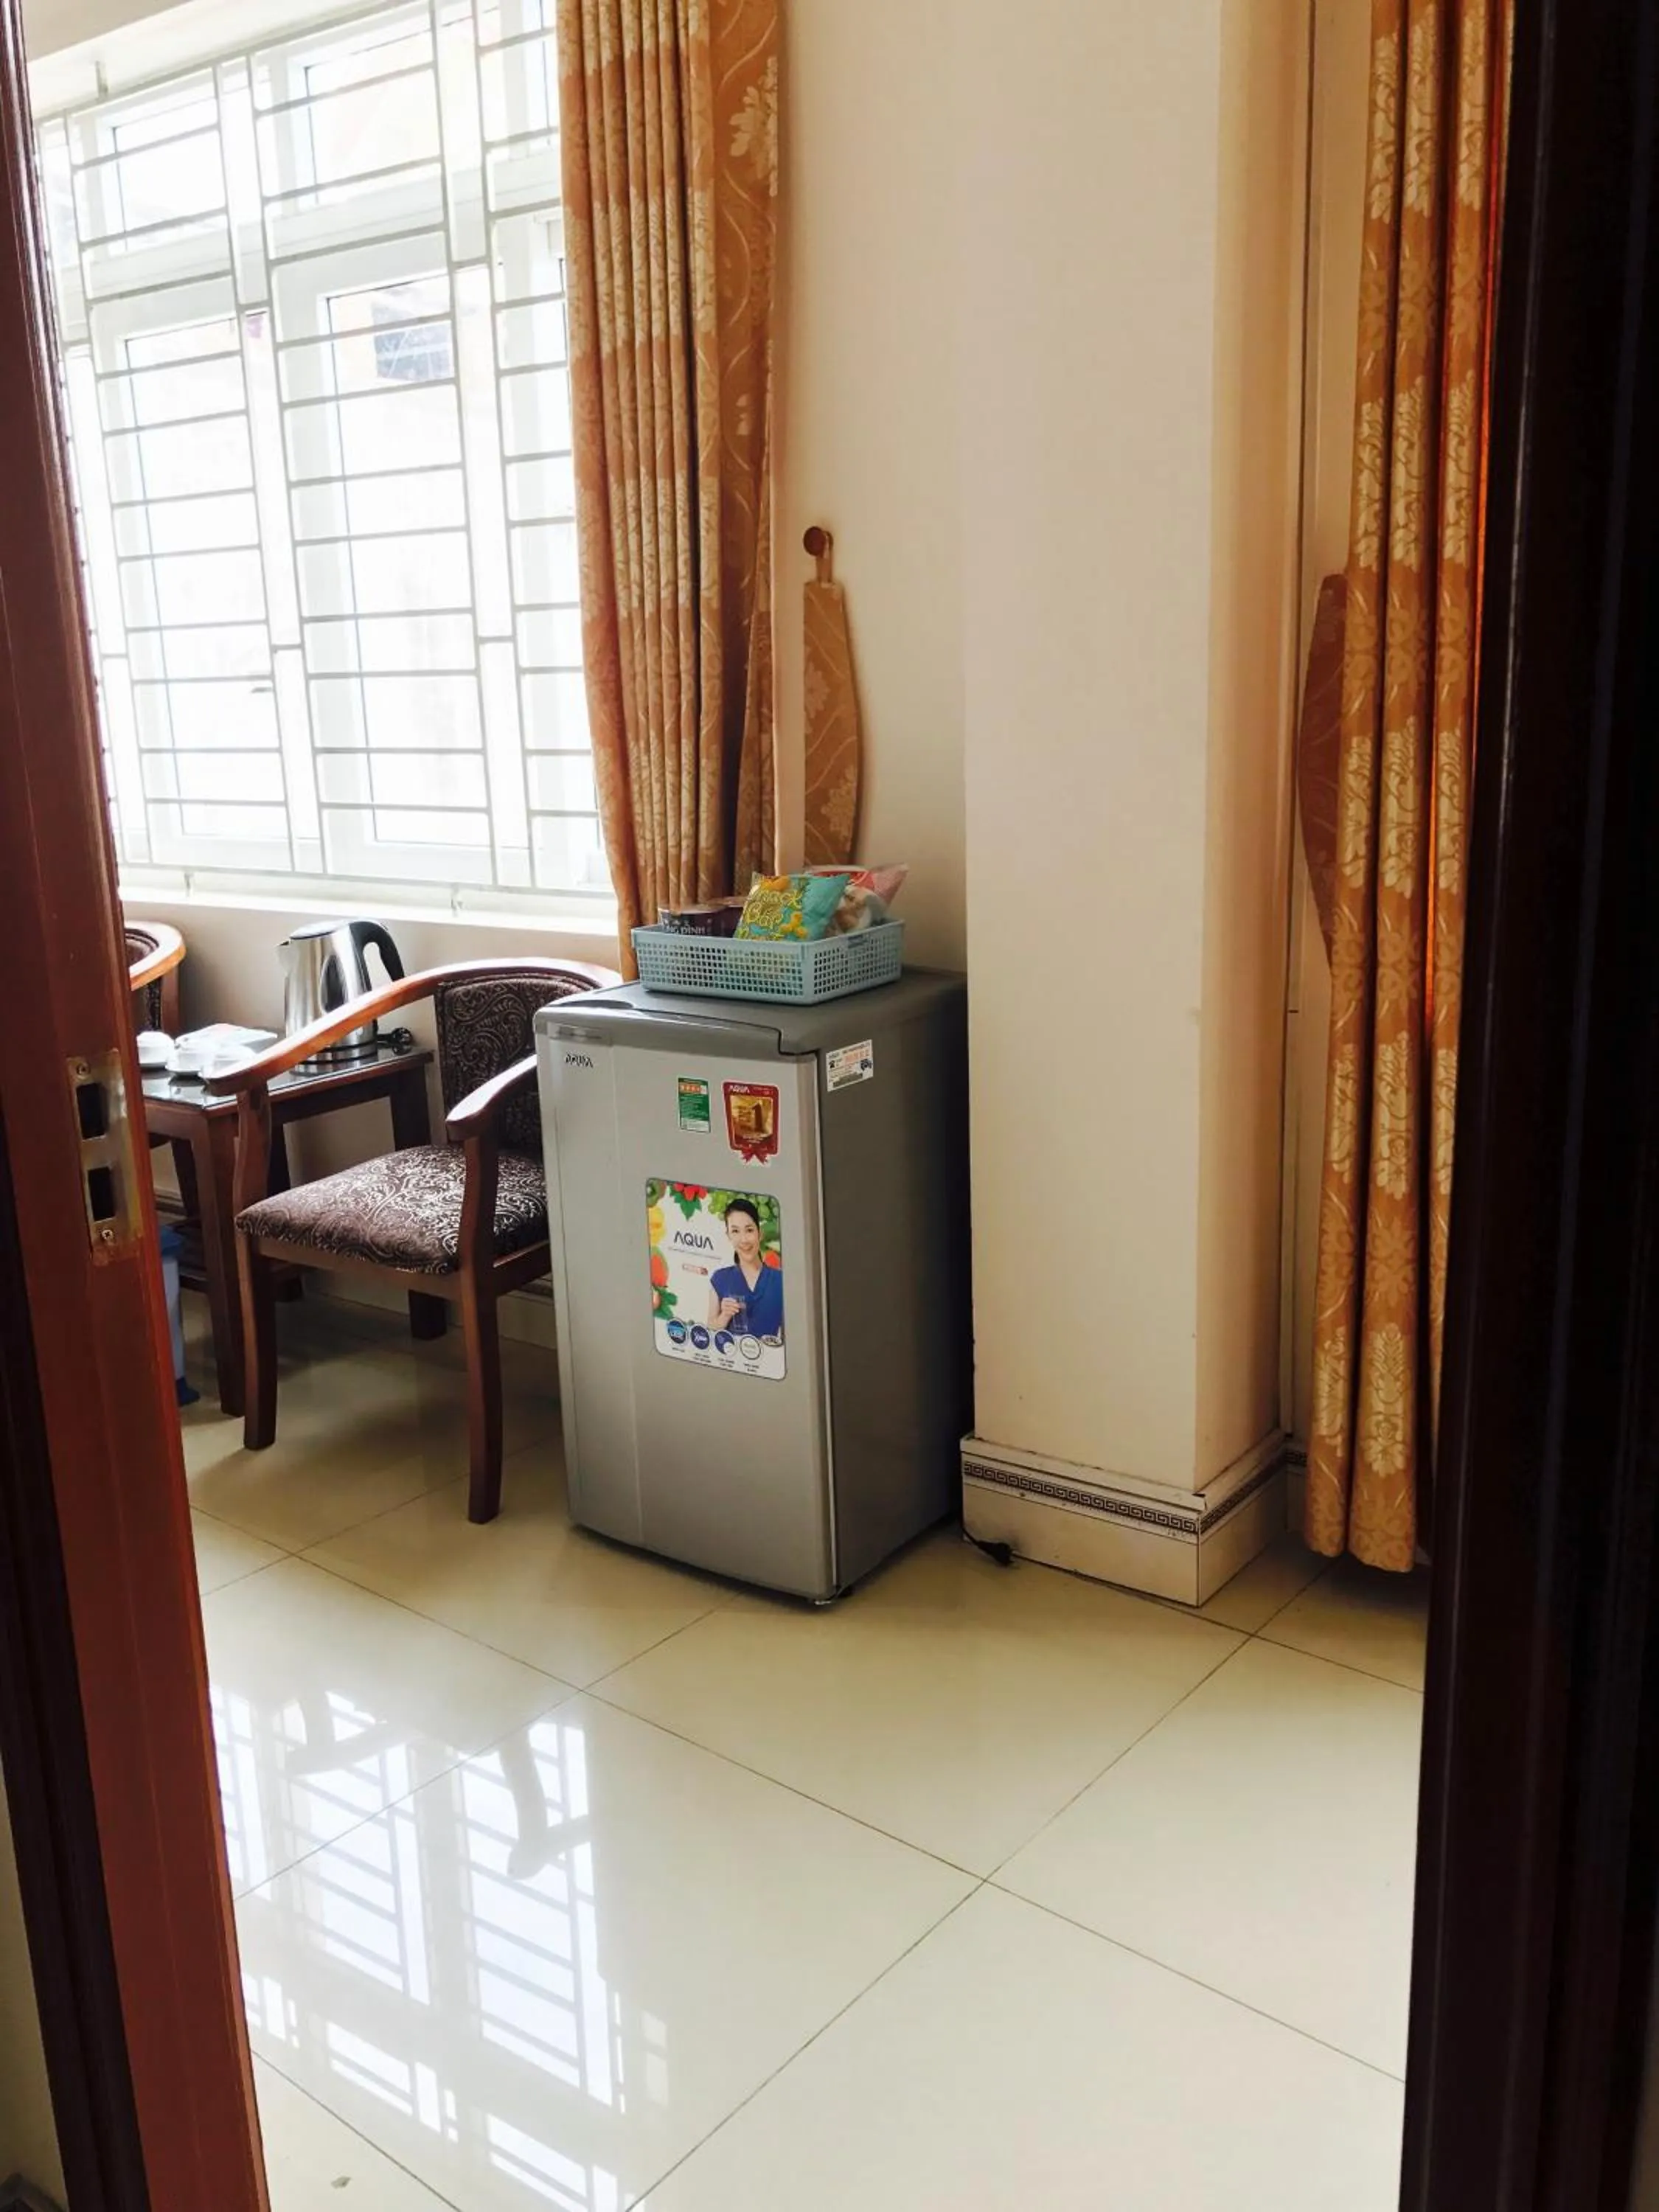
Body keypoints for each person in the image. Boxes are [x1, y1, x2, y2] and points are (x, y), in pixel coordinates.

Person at [707, 1197, 783, 1339]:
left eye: (749, 1230)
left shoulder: (781, 1280)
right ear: (728, 1236)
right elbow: (710, 1331)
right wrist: (724, 1316)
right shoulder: (719, 1279)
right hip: (730, 1357)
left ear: (759, 1234)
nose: (744, 1240)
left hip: (771, 1358)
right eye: (735, 1231)